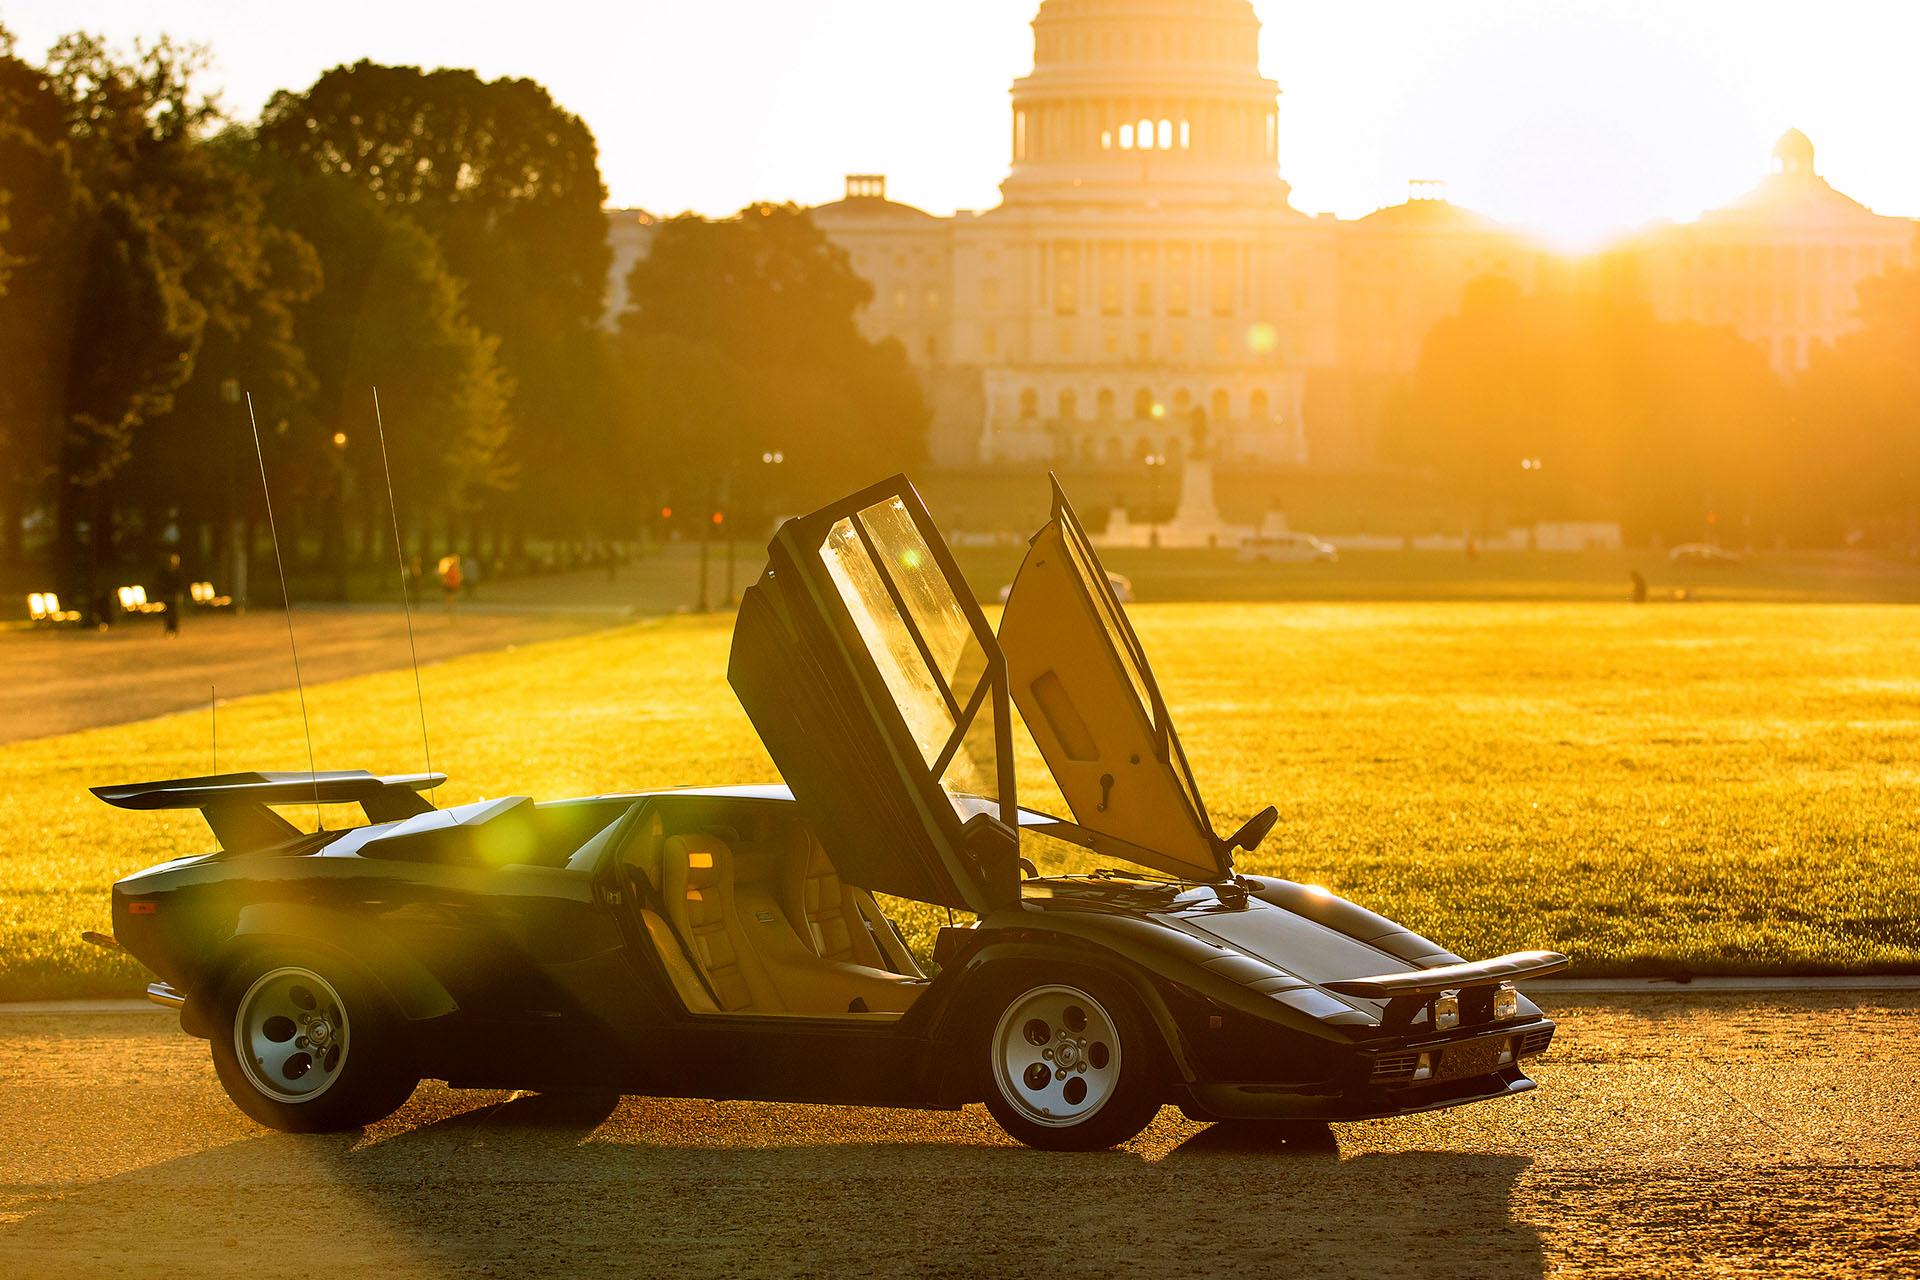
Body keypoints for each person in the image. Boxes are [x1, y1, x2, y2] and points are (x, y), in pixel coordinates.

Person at [157, 552, 185, 637]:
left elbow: (181, 584)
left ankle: (174, 629)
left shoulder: (178, 572)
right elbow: (160, 583)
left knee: (175, 613)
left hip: (175, 594)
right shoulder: (164, 571)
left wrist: (180, 594)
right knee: (167, 613)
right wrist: (161, 593)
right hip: (166, 595)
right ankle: (168, 629)